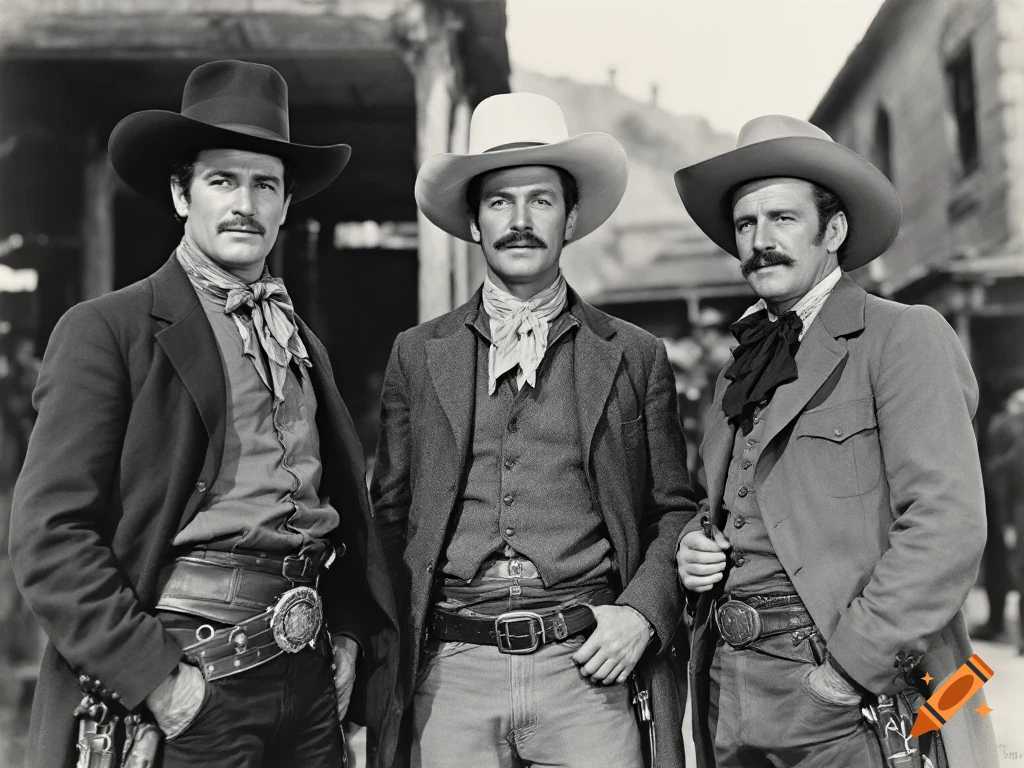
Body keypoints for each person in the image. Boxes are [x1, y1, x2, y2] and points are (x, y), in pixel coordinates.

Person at [9, 60, 398, 768]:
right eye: (222, 180)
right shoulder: (108, 329)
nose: (245, 202)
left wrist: (343, 630)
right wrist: (160, 681)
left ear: (284, 206)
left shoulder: (302, 342)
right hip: (190, 673)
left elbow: (336, 505)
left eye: (265, 185)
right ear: (181, 194)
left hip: (307, 682)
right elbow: (50, 538)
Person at [371, 92, 699, 768]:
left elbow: (674, 511)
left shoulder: (633, 355)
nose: (520, 222)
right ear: (472, 220)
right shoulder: (417, 352)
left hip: (587, 670)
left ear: (571, 217)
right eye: (499, 202)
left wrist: (640, 612)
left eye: (541, 201)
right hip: (451, 672)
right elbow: (389, 515)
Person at [673, 115, 998, 768]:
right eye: (745, 224)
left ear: (834, 230)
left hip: (846, 692)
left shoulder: (901, 335)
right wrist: (690, 549)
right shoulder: (739, 366)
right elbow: (719, 503)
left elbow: (947, 524)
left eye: (782, 219)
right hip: (728, 685)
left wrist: (851, 669)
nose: (760, 241)